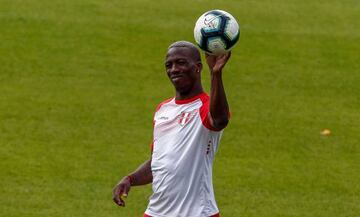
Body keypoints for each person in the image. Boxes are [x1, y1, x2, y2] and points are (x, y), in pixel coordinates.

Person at [112, 41, 231, 217]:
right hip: (157, 212)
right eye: (169, 65)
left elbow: (220, 120)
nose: (174, 69)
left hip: (197, 212)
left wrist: (216, 74)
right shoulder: (162, 110)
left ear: (198, 67)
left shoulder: (205, 106)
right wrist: (130, 179)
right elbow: (158, 162)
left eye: (181, 63)